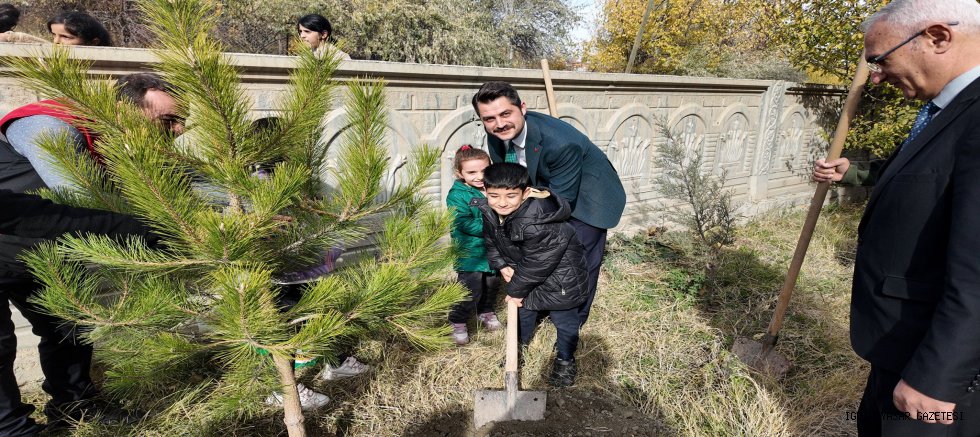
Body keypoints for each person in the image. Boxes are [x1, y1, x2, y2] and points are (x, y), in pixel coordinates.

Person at [812, 1, 980, 435]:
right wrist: (859, 172)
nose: (875, 76)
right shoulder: (950, 109)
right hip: (904, 345)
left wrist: (937, 376)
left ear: (937, 38)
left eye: (880, 59)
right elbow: (933, 176)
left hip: (942, 379)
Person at [0, 74, 182, 434]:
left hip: (43, 251)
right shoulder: (49, 125)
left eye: (180, 121)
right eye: (166, 121)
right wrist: (165, 230)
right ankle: (13, 429)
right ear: (121, 110)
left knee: (68, 327)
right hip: (13, 234)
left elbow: (184, 185)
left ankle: (77, 408)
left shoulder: (116, 142)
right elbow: (83, 200)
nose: (177, 131)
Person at [0, 185, 158, 436]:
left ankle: (75, 406)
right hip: (24, 219)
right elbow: (44, 217)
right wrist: (152, 231)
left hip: (22, 239)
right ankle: (12, 429)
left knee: (68, 320)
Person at [472, 81, 625, 326]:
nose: (499, 124)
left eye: (505, 113)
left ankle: (572, 321)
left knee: (577, 262)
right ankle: (544, 303)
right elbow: (507, 180)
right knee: (540, 248)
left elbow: (559, 201)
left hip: (588, 197)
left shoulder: (561, 143)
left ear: (522, 108)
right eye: (489, 118)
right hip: (544, 186)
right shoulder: (497, 137)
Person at [477, 163, 588, 387]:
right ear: (485, 192)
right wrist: (500, 265)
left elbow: (539, 262)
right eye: (494, 195)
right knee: (523, 316)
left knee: (564, 323)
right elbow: (490, 241)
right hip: (525, 273)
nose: (502, 202)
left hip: (560, 278)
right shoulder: (490, 211)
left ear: (526, 192)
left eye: (510, 196)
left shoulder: (538, 221)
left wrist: (516, 290)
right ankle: (517, 350)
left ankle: (565, 359)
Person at [445, 145, 501, 346]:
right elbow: (462, 222)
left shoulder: (493, 188)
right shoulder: (458, 195)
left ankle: (485, 311)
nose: (479, 176)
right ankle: (458, 320)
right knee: (470, 289)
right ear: (460, 173)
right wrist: (495, 224)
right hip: (470, 253)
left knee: (492, 284)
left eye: (484, 170)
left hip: (492, 250)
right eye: (471, 172)